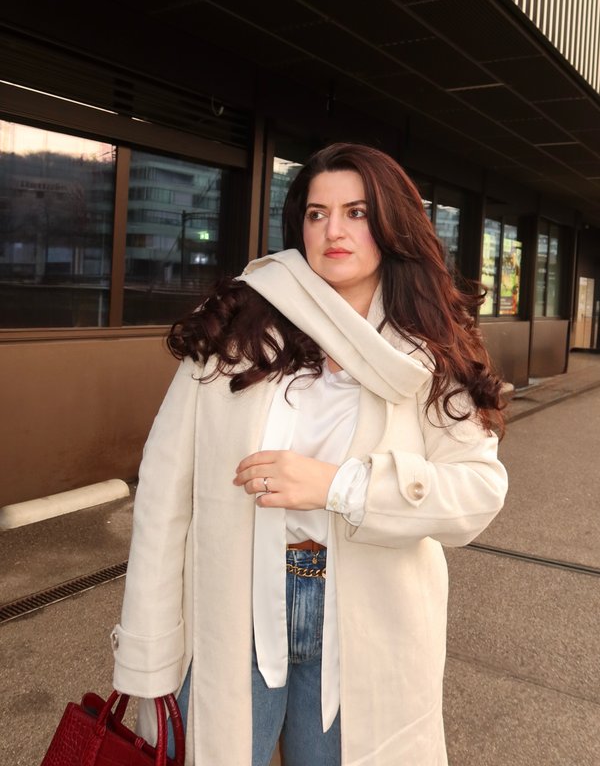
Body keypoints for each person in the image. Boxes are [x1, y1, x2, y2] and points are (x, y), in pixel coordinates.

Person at [111, 142, 508, 766]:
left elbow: (478, 492)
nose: (334, 231)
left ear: (390, 224)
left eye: (356, 212)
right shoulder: (237, 326)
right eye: (317, 214)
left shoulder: (426, 346)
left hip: (365, 624)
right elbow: (163, 498)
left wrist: (338, 486)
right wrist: (148, 655)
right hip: (233, 604)